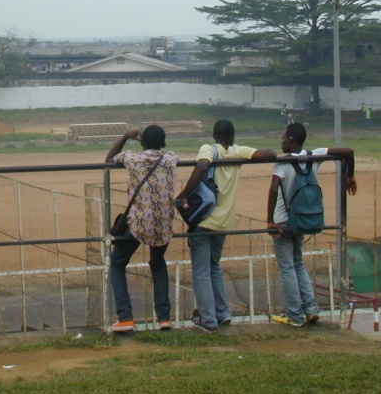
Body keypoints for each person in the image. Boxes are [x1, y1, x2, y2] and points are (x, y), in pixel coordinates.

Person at [175, 120, 276, 331]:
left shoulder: (209, 150)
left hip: (205, 220)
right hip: (223, 222)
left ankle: (208, 319)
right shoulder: (238, 151)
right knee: (214, 268)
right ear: (232, 137)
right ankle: (222, 312)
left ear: (214, 136)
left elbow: (202, 166)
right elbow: (271, 155)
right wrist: (239, 151)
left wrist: (184, 194)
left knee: (201, 271)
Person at [266, 122, 357, 327]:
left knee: (287, 268)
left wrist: (269, 220)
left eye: (283, 138)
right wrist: (350, 174)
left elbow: (273, 190)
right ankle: (311, 309)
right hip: (303, 220)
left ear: (290, 140)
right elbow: (348, 151)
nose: (281, 141)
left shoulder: (282, 163)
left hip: (282, 221)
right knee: (298, 264)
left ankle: (295, 315)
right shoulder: (313, 156)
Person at [106, 126, 179, 332]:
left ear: (142, 143)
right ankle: (164, 318)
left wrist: (125, 136)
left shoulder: (133, 159)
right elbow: (172, 157)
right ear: (163, 144)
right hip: (163, 225)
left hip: (138, 224)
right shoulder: (171, 158)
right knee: (157, 263)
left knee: (117, 263)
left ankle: (125, 317)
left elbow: (109, 158)